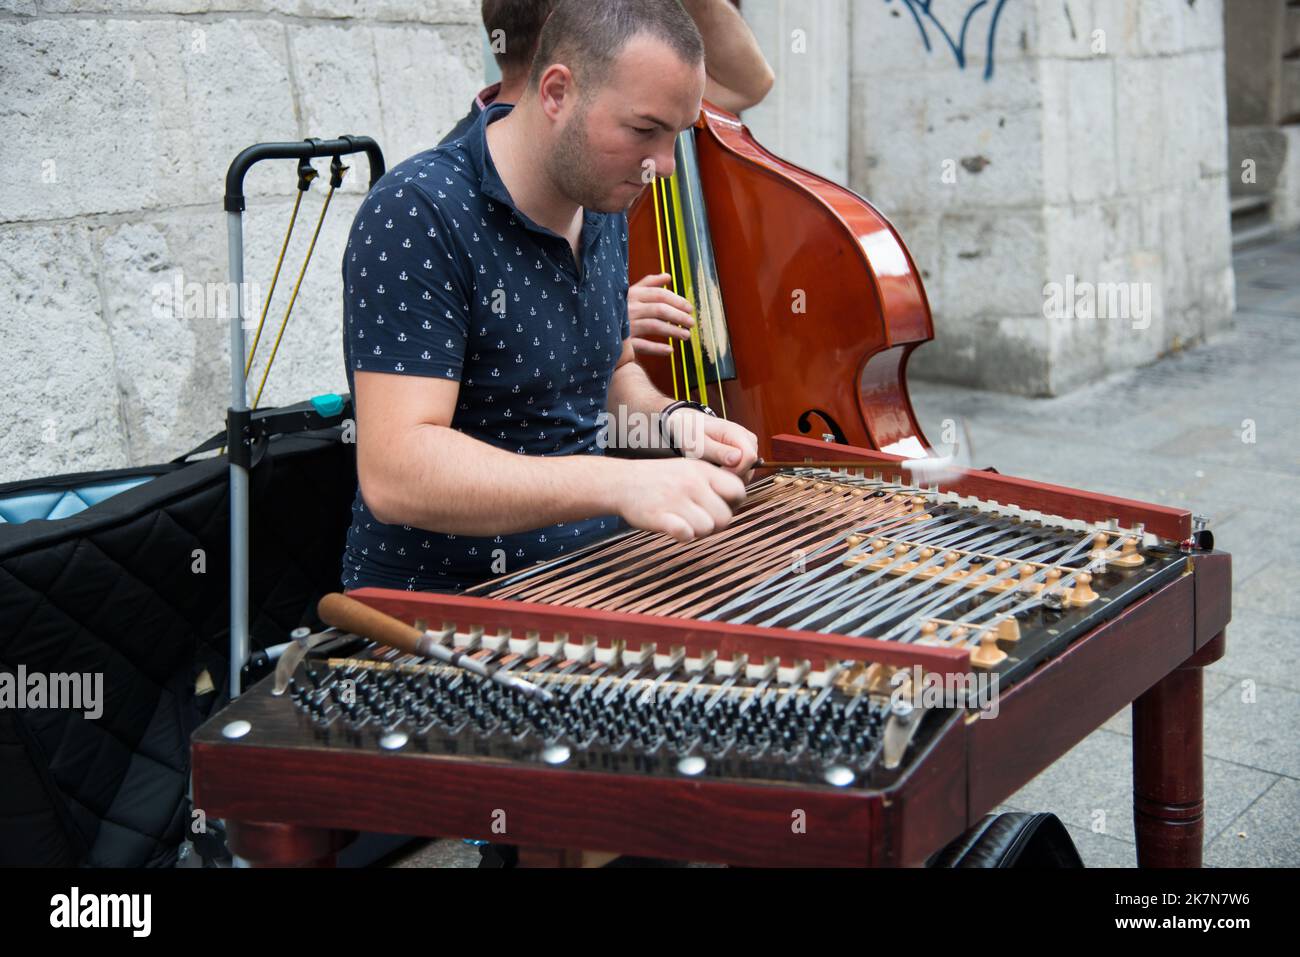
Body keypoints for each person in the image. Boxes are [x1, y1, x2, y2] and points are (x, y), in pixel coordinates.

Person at [339, 0, 760, 598]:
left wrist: (671, 423)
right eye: (644, 130)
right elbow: (397, 472)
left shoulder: (604, 198)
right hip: (440, 608)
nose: (662, 167)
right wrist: (617, 484)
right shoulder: (418, 211)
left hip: (593, 577)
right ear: (558, 92)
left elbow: (612, 374)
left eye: (675, 137)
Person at [443, 0, 775, 361]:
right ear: (569, 33)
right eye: (643, 130)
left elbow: (751, 83)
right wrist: (595, 316)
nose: (663, 166)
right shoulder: (449, 191)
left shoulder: (632, 101)